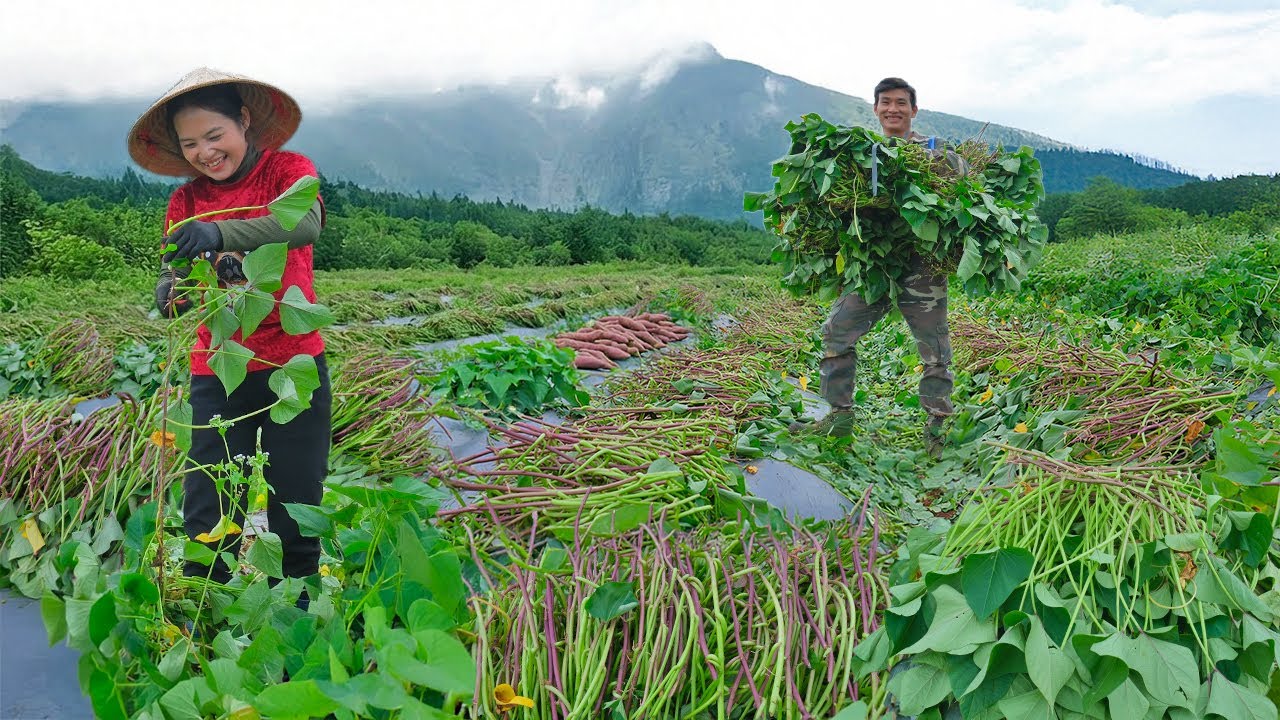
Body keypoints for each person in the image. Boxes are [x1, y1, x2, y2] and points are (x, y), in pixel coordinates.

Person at [128, 68, 331, 588]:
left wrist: (218, 233)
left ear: (243, 121)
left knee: (295, 501)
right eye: (191, 143)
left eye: (214, 136)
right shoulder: (185, 202)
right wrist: (173, 294)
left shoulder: (287, 170)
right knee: (209, 501)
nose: (205, 152)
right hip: (217, 367)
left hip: (293, 364)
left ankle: (298, 613)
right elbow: (176, 276)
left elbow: (304, 223)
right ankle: (202, 612)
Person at [794, 77, 965, 457]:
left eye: (901, 103)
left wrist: (939, 165)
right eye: (885, 102)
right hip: (872, 268)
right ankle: (838, 418)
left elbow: (964, 176)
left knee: (935, 349)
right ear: (875, 109)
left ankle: (937, 427)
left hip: (922, 268)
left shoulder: (933, 150)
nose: (893, 109)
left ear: (913, 110)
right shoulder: (859, 153)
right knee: (836, 333)